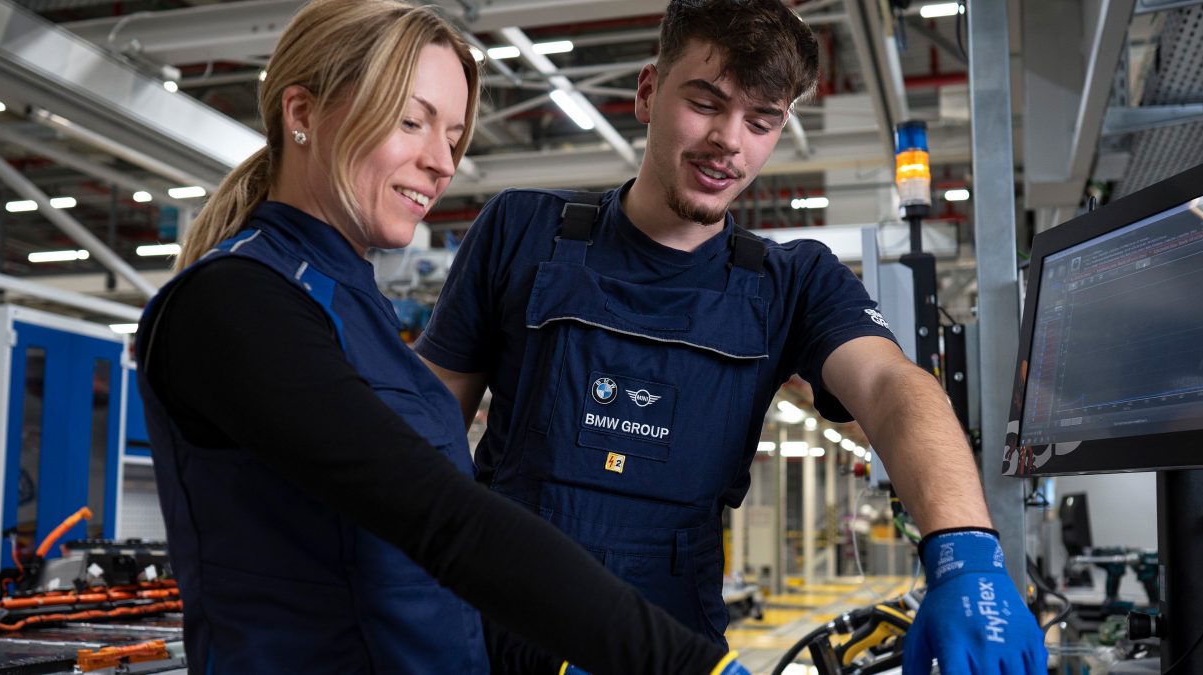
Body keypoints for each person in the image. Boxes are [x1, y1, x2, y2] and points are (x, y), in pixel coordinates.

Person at [416, 1, 1047, 673]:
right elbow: (421, 434)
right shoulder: (521, 231)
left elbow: (895, 389)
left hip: (678, 658)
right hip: (490, 648)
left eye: (762, 120)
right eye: (706, 102)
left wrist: (967, 552)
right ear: (648, 91)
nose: (730, 141)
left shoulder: (792, 283)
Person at [135, 1, 751, 672]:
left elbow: (426, 587)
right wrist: (685, 665)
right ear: (302, 114)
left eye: (453, 135)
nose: (441, 162)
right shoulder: (235, 304)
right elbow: (443, 521)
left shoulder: (356, 307)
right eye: (411, 122)